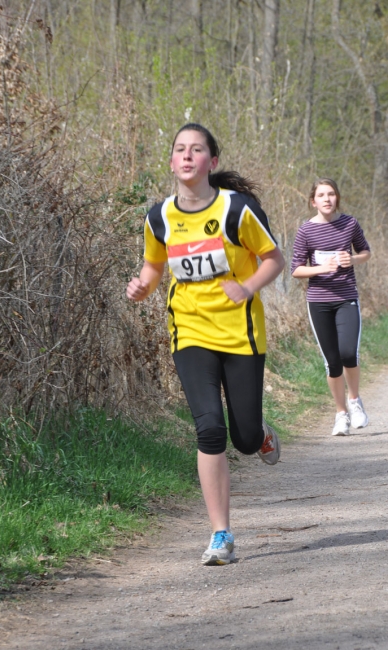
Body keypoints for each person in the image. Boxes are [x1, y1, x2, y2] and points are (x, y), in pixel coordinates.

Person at [126, 123, 285, 566]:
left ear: (212, 162)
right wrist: (142, 285)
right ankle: (221, 534)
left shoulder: (237, 210)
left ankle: (260, 434)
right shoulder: (159, 216)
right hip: (190, 331)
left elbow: (274, 259)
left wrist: (248, 286)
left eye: (197, 150)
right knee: (210, 428)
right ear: (173, 162)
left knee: (246, 437)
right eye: (180, 150)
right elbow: (154, 266)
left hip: (240, 333)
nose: (188, 156)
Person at [291, 178, 371, 436]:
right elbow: (296, 269)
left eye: (331, 194)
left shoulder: (349, 223)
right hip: (318, 302)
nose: (327, 199)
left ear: (337, 198)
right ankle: (340, 414)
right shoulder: (305, 231)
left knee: (348, 353)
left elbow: (366, 252)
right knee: (332, 362)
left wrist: (353, 259)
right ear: (313, 201)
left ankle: (355, 401)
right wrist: (320, 268)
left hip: (347, 297)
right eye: (321, 195)